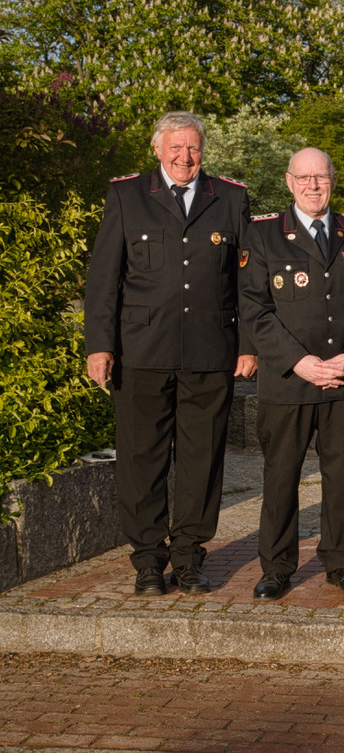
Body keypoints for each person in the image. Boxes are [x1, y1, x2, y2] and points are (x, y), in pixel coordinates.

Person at [85, 111, 256, 596]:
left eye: (194, 148)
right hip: (141, 350)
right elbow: (104, 279)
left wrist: (248, 345)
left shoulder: (231, 197)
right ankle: (147, 560)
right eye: (176, 148)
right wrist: (100, 344)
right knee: (143, 460)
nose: (185, 157)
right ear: (157, 149)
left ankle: (188, 556)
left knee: (202, 459)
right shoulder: (127, 195)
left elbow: (247, 279)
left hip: (210, 350)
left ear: (204, 151)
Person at [239, 148, 344, 600]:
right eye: (303, 178)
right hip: (288, 380)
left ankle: (341, 563)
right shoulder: (263, 236)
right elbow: (254, 310)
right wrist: (299, 362)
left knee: (342, 476)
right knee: (281, 476)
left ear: (333, 179)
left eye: (320, 177)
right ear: (288, 182)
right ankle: (276, 567)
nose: (312, 185)